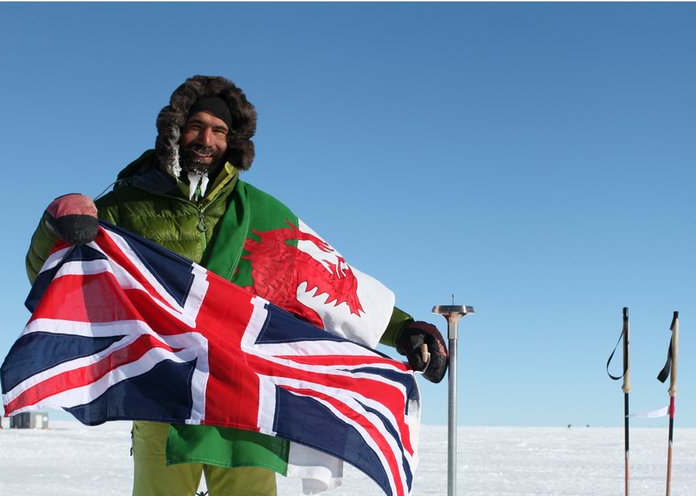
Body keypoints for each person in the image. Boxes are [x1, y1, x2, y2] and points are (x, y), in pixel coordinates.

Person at [25, 75, 448, 496]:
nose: (206, 139)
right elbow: (52, 273)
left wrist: (403, 328)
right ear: (175, 129)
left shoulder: (260, 213)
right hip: (163, 397)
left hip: (246, 402)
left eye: (219, 130)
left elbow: (327, 279)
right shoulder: (125, 206)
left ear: (234, 141)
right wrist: (54, 224)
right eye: (195, 126)